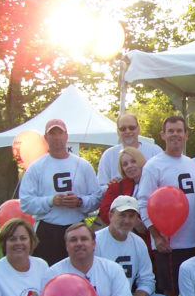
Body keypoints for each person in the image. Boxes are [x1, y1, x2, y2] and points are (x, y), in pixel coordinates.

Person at [137, 115, 195, 296]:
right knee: (169, 293)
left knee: (191, 294)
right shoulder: (154, 165)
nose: (176, 134)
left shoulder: (192, 164)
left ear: (187, 135)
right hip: (167, 243)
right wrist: (156, 236)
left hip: (194, 241)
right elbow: (143, 203)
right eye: (171, 131)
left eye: (180, 131)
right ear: (163, 135)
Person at [19, 118, 102, 265]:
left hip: (77, 229)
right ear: (45, 138)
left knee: (79, 272)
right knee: (47, 273)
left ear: (67, 136)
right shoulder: (36, 168)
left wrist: (79, 202)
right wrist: (51, 201)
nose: (56, 137)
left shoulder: (83, 165)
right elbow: (26, 203)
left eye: (60, 133)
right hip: (47, 231)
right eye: (52, 134)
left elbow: (96, 198)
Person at [98, 147, 152, 254]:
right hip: (122, 240)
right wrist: (131, 221)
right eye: (125, 164)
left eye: (133, 161)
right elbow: (105, 211)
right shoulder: (116, 186)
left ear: (141, 161)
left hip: (149, 241)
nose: (130, 166)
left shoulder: (154, 183)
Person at [96, 113, 163, 186]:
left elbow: (164, 180)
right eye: (123, 129)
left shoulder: (155, 151)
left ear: (138, 129)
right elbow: (100, 188)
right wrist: (111, 185)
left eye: (131, 128)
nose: (127, 131)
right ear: (118, 132)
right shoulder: (108, 155)